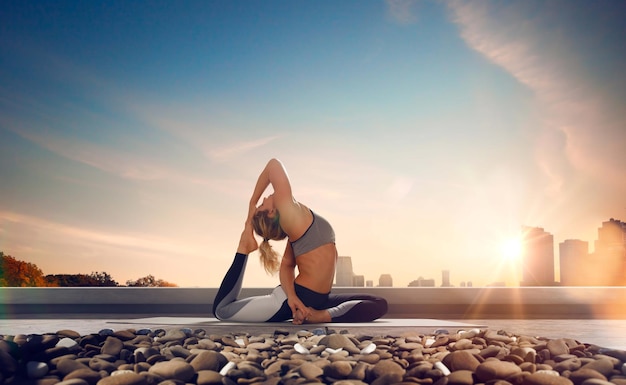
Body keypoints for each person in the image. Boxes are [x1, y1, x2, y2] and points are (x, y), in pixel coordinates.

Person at [212, 158, 388, 324]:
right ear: (272, 213)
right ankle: (244, 247)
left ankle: (320, 315)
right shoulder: (288, 213)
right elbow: (273, 165)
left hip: (314, 299)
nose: (263, 199)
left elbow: (287, 266)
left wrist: (293, 296)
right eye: (262, 205)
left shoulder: (294, 225)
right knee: (222, 311)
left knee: (379, 303)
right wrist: (251, 206)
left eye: (260, 202)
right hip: (286, 301)